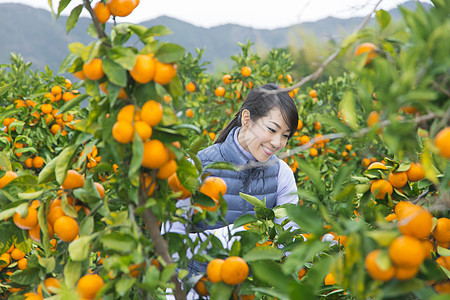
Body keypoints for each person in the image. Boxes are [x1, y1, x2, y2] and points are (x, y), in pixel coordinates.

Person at [163, 83, 299, 294]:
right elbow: (169, 243)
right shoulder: (197, 167)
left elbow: (286, 240)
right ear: (246, 119)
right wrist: (225, 237)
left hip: (248, 292)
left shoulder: (282, 174)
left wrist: (312, 247)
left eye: (285, 135)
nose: (277, 142)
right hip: (196, 290)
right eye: (272, 129)